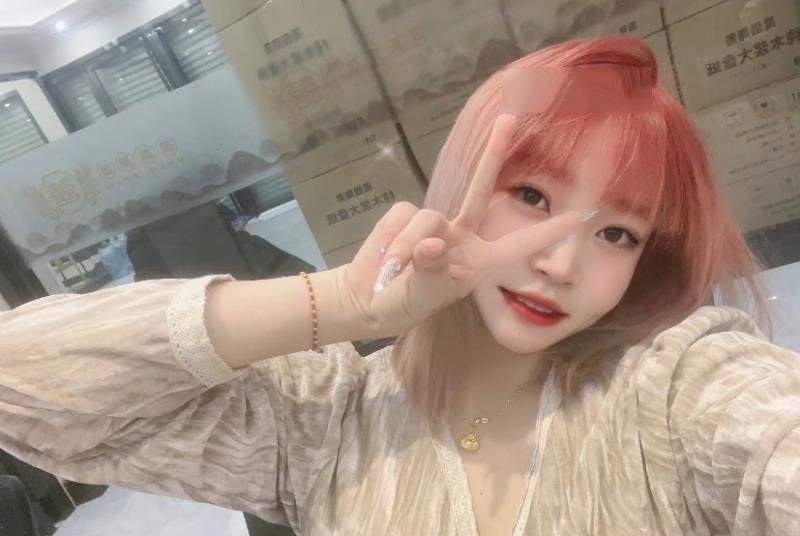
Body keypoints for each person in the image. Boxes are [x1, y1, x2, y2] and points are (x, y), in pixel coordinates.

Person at [1, 35, 799, 535]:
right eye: (532, 196)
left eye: (616, 233)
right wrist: (340, 305)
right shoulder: (324, 421)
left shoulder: (671, 389)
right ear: (460, 181)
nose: (561, 264)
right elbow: (22, 385)